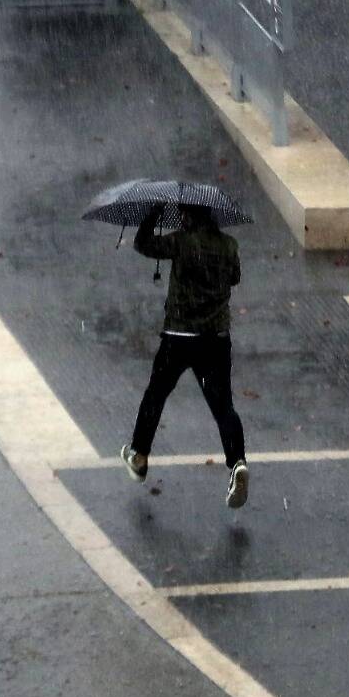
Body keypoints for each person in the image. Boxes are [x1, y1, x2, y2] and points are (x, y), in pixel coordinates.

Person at [121, 204, 249, 508]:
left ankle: (139, 454)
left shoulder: (181, 241)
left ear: (188, 215)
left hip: (179, 336)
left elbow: (143, 244)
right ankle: (237, 463)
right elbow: (234, 277)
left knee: (156, 394)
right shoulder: (228, 245)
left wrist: (152, 215)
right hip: (215, 339)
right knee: (223, 407)